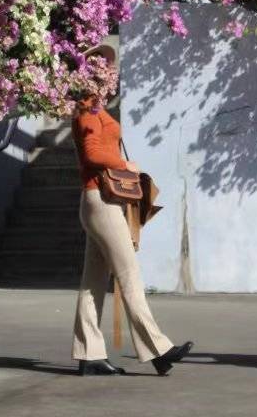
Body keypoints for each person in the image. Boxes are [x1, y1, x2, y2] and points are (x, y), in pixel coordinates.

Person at [70, 43, 193, 377]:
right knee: (129, 275)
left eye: (111, 68)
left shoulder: (94, 109)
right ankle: (159, 350)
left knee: (93, 282)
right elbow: (94, 155)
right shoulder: (88, 112)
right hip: (101, 201)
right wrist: (127, 164)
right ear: (93, 75)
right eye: (106, 69)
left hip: (99, 201)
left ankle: (90, 355)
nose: (112, 73)